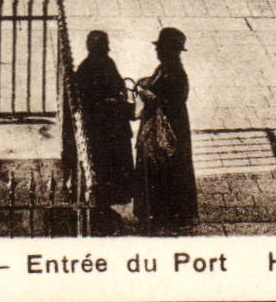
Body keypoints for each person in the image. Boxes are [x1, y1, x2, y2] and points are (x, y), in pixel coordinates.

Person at [132, 27, 197, 235]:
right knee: (159, 167)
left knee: (165, 166)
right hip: (162, 125)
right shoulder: (165, 68)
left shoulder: (176, 73)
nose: (158, 52)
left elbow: (170, 101)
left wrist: (149, 95)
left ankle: (167, 213)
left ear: (172, 51)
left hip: (169, 128)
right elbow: (156, 85)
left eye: (162, 49)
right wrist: (146, 84)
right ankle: (158, 211)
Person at [73, 31, 136, 228]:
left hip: (111, 128)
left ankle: (104, 207)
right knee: (106, 170)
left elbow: (116, 86)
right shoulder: (88, 69)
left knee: (111, 170)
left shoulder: (102, 63)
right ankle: (102, 209)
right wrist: (113, 102)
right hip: (103, 131)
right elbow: (90, 101)